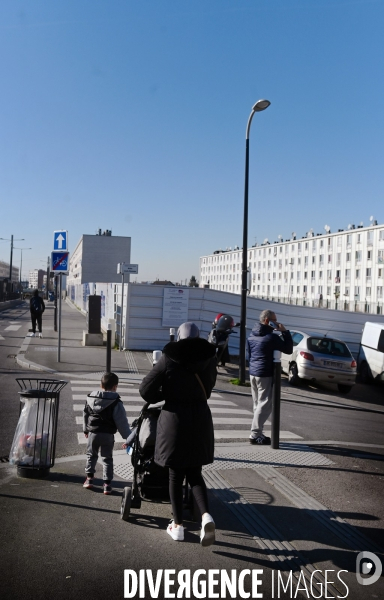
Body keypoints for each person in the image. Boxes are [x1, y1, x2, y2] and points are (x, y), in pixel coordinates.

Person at [138, 322, 217, 545]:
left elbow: (145, 389)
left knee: (175, 474)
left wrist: (165, 392)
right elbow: (208, 389)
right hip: (200, 420)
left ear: (179, 338)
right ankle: (206, 516)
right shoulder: (209, 359)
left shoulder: (169, 358)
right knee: (195, 473)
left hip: (175, 420)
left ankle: (178, 526)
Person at [247, 309, 293, 445]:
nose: (277, 322)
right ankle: (255, 435)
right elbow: (288, 349)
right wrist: (284, 331)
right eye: (274, 320)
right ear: (267, 321)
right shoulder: (272, 338)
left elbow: (249, 354)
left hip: (253, 373)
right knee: (265, 404)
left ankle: (258, 433)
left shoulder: (251, 335)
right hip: (265, 374)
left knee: (257, 404)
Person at [83, 372, 131, 495]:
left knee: (91, 455)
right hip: (108, 435)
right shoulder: (116, 401)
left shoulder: (90, 398)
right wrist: (129, 438)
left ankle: (89, 479)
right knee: (107, 459)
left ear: (101, 384)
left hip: (93, 432)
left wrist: (85, 429)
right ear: (115, 386)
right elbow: (121, 421)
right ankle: (107, 485)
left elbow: (86, 414)